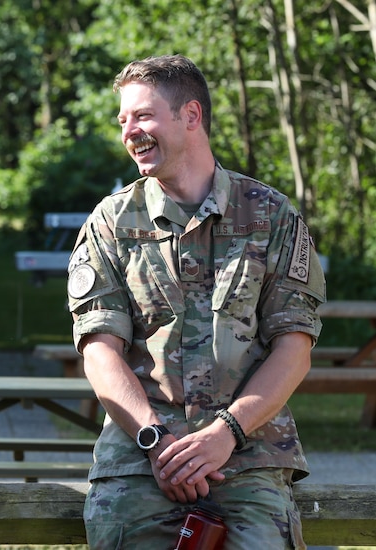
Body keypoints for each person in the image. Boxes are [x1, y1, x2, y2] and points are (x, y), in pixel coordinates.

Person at [67, 54, 325, 549]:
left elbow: (294, 349)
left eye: (143, 116)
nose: (130, 131)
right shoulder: (111, 222)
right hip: (140, 461)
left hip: (250, 457)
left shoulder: (271, 216)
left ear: (190, 116)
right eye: (123, 121)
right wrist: (154, 440)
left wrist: (227, 431)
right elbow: (99, 351)